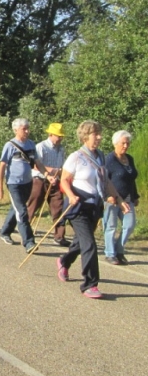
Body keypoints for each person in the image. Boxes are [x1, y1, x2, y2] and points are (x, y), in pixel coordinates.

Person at [57, 120, 129, 298]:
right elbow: (64, 180)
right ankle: (90, 284)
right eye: (95, 134)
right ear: (85, 136)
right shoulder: (76, 157)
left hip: (94, 207)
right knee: (89, 244)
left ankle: (64, 261)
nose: (99, 137)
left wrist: (119, 199)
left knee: (80, 243)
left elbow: (106, 181)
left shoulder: (101, 156)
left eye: (99, 133)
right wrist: (71, 195)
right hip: (78, 207)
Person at [0, 118, 49, 253]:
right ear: (16, 130)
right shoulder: (10, 145)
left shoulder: (31, 144)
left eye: (27, 128)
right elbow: (2, 165)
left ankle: (5, 231)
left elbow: (38, 163)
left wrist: (48, 176)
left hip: (27, 182)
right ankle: (29, 242)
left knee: (17, 209)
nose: (27, 131)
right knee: (22, 212)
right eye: (24, 129)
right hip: (13, 183)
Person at [26, 123, 70, 246]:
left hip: (56, 181)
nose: (60, 138)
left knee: (58, 208)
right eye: (58, 136)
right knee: (33, 205)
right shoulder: (41, 146)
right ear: (50, 134)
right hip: (40, 180)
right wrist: (51, 171)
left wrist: (61, 172)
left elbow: (62, 165)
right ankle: (26, 231)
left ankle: (60, 236)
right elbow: (35, 164)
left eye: (61, 136)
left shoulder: (61, 149)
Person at [103, 130, 139, 265]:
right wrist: (107, 196)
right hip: (112, 199)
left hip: (127, 198)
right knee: (111, 226)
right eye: (123, 143)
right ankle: (110, 253)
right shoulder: (108, 160)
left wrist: (135, 196)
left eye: (127, 143)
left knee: (129, 225)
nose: (125, 146)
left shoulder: (129, 159)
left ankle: (119, 250)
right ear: (115, 143)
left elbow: (131, 179)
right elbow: (103, 180)